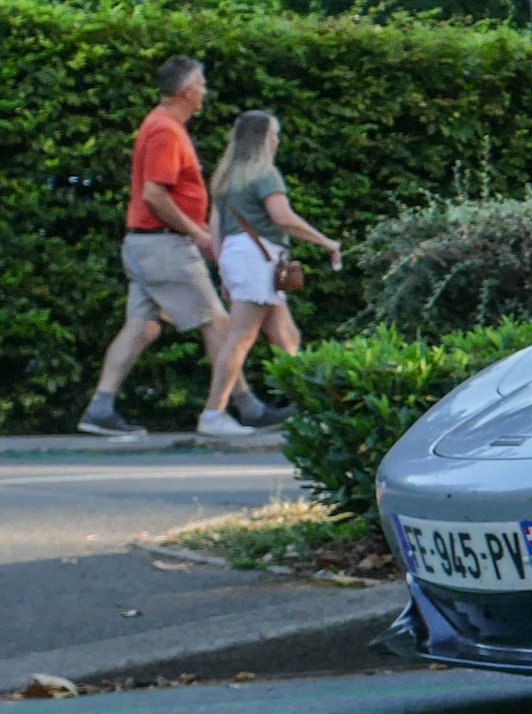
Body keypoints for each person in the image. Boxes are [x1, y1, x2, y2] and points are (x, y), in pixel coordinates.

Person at [77, 57, 277, 437]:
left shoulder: (162, 126)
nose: (205, 92)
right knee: (218, 323)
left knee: (141, 328)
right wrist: (199, 234)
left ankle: (100, 409)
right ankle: (237, 410)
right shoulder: (166, 130)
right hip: (164, 246)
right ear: (186, 91)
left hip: (147, 245)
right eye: (201, 84)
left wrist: (198, 229)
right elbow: (154, 194)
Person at [202, 111, 343, 434]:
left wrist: (224, 271)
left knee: (286, 337)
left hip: (241, 258)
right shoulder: (264, 174)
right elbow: (283, 218)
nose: (278, 140)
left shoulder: (227, 176)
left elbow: (216, 227)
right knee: (239, 340)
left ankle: (311, 407)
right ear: (265, 139)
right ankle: (213, 414)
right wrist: (325, 241)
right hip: (258, 260)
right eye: (275, 134)